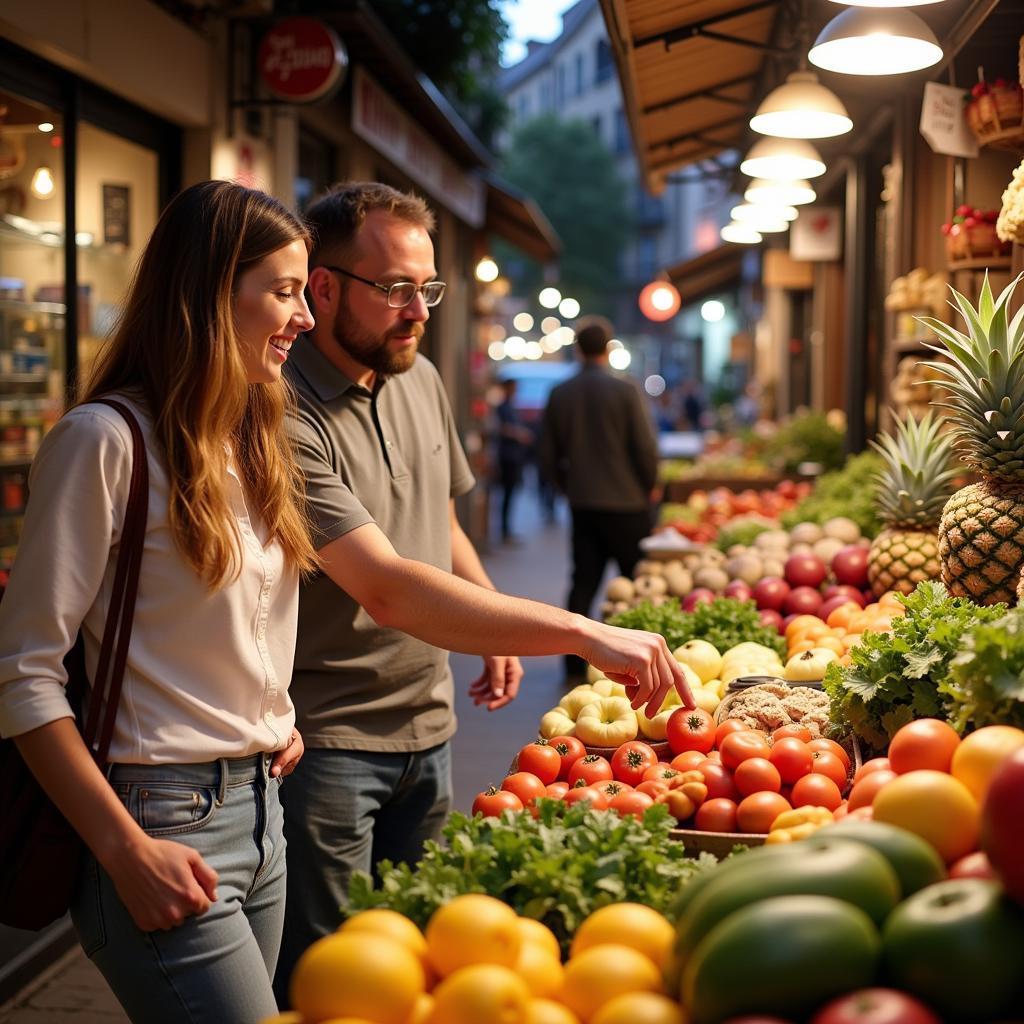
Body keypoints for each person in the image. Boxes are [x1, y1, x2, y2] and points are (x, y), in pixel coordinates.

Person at [273, 182, 692, 1004]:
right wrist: (577, 631)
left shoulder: (419, 376)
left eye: (427, 289)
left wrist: (492, 615)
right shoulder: (283, 411)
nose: (418, 310)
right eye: (394, 288)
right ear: (323, 287)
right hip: (327, 744)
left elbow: (442, 520)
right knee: (335, 990)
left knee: (422, 971)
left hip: (429, 728)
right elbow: (389, 589)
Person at [0, 180, 316, 1024]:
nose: (305, 317)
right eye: (284, 291)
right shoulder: (102, 440)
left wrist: (270, 712)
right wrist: (123, 848)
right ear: (211, 293)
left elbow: (228, 629)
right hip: (155, 817)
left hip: (262, 812)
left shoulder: (256, 443)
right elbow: (23, 678)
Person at [539, 316, 660, 684]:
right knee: (639, 581)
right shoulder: (624, 391)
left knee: (584, 581)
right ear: (608, 349)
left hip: (584, 503)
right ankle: (644, 656)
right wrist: (650, 484)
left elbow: (547, 453)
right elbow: (644, 446)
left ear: (578, 349)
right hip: (627, 503)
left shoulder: (561, 393)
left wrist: (567, 486)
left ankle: (574, 665)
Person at [494, 377, 533, 543]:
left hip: (513, 455)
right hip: (508, 456)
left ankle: (506, 530)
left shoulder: (510, 407)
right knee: (507, 493)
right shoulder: (503, 407)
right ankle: (504, 530)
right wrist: (518, 434)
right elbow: (501, 428)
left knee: (511, 493)